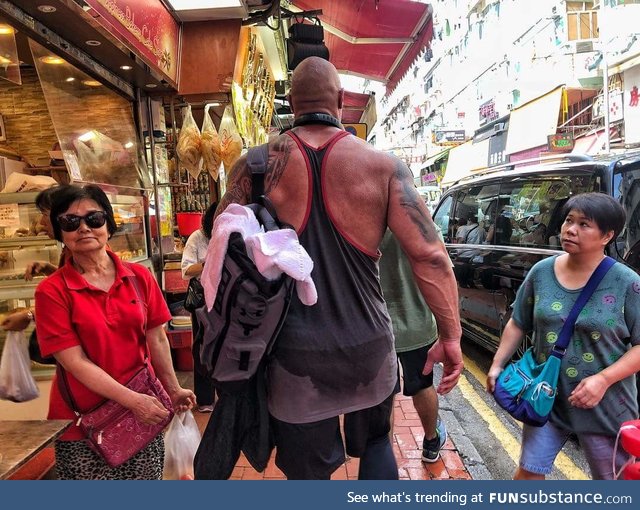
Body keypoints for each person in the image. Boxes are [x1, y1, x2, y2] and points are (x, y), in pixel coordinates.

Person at [216, 56, 462, 480]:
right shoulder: (383, 167)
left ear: (291, 101)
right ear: (343, 99)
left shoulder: (254, 166)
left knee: (308, 472)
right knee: (377, 443)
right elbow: (432, 257)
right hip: (368, 344)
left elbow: (217, 245)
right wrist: (451, 336)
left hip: (292, 353)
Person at [35, 184, 195, 480]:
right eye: (71, 222)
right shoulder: (51, 290)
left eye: (93, 219)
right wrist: (133, 400)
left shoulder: (139, 277)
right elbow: (74, 362)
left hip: (141, 413)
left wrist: (172, 389)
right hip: (84, 422)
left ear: (108, 224)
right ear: (60, 232)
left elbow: (156, 337)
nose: (83, 228)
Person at [486, 192, 640, 480]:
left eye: (584, 224)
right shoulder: (541, 273)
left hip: (605, 405)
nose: (570, 229)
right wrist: (497, 364)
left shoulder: (628, 283)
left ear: (607, 235)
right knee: (529, 474)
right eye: (569, 220)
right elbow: (518, 322)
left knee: (614, 485)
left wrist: (603, 379)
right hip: (545, 396)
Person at [379, 229, 447, 463]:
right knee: (422, 386)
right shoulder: (420, 222)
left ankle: (385, 457)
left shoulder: (364, 216)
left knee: (383, 397)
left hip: (376, 323)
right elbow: (442, 274)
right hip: (417, 322)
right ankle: (431, 442)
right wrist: (449, 331)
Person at [1, 186, 64, 333]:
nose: (42, 222)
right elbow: (72, 285)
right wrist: (50, 269)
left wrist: (29, 315)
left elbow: (78, 303)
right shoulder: (70, 251)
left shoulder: (82, 251)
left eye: (45, 214)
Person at [181, 201, 218, 413]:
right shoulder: (198, 238)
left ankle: (226, 394)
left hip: (225, 300)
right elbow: (185, 271)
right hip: (202, 301)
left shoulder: (231, 234)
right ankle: (205, 399)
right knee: (202, 347)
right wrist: (208, 263)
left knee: (224, 348)